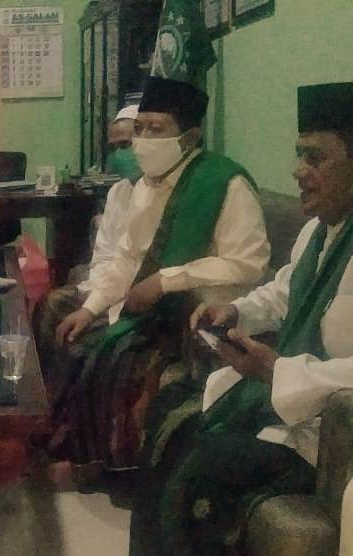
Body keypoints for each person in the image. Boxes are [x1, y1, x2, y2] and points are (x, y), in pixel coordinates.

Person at [131, 81, 353, 555]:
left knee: (203, 469)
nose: (298, 171)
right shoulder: (318, 231)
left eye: (315, 158)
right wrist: (236, 310)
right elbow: (284, 292)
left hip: (324, 435)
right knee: (170, 419)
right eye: (299, 155)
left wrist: (277, 371)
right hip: (282, 403)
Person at [50, 74, 270, 471]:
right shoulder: (145, 186)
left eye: (157, 129)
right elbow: (127, 258)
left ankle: (109, 466)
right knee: (72, 324)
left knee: (119, 357)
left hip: (197, 314)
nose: (143, 139)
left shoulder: (225, 183)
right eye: (139, 128)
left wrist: (167, 280)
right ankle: (72, 442)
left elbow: (246, 263)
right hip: (149, 306)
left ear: (189, 138)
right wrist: (91, 307)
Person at [33, 104, 139, 406]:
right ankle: (41, 398)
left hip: (133, 297)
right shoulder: (119, 192)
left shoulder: (163, 194)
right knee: (48, 305)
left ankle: (63, 410)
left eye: (126, 144)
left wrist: (101, 304)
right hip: (104, 289)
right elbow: (104, 254)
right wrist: (93, 296)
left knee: (75, 332)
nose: (119, 154)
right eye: (114, 147)